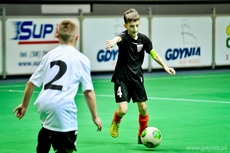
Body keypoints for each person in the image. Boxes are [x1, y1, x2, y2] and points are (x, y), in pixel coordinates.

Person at [13, 19, 102, 153]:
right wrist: (95, 116)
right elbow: (88, 91)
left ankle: (45, 139)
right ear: (77, 36)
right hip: (63, 107)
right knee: (67, 148)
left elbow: (31, 83)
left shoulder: (49, 56)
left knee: (49, 127)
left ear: (57, 36)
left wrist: (24, 105)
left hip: (44, 104)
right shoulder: (82, 59)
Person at [105, 8, 176, 144]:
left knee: (143, 108)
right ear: (126, 26)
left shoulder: (144, 39)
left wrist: (165, 67)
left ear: (140, 23)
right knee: (123, 110)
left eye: (137, 25)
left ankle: (141, 134)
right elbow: (117, 38)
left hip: (137, 78)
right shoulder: (124, 37)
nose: (134, 28)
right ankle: (116, 121)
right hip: (122, 78)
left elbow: (154, 54)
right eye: (131, 26)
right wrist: (113, 42)